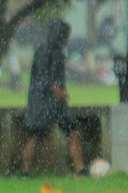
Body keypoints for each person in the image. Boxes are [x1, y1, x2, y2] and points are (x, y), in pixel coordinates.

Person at [21, 18, 87, 177]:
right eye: (66, 35)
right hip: (43, 100)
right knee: (36, 135)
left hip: (55, 101)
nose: (68, 39)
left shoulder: (56, 51)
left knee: (72, 130)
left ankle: (80, 168)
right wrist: (56, 89)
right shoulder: (44, 50)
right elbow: (43, 76)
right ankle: (25, 170)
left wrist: (59, 93)